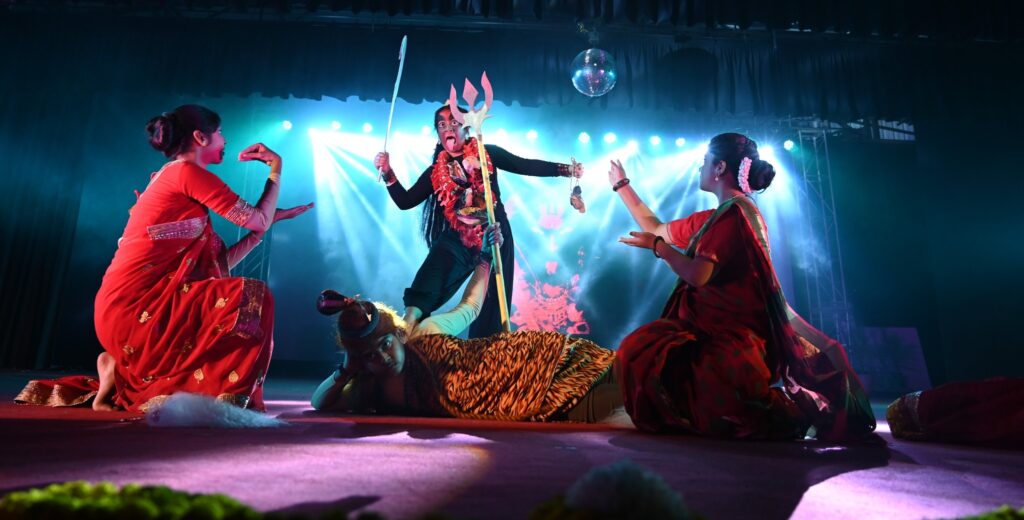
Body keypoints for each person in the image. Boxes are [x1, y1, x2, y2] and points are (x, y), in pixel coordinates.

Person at [15, 104, 313, 412]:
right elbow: (257, 218)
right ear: (200, 137)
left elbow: (222, 263)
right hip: (137, 306)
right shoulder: (186, 173)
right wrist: (276, 167)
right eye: (220, 133)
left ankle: (119, 371)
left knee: (228, 297)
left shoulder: (169, 177)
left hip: (140, 306)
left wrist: (264, 227)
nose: (225, 140)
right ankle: (224, 400)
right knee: (254, 296)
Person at [609, 132, 875, 440]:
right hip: (707, 333)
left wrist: (660, 249)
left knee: (687, 380)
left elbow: (698, 275)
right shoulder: (713, 219)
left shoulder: (735, 215)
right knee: (641, 354)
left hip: (736, 341)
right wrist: (621, 185)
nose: (700, 167)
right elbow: (656, 227)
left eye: (705, 161)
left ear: (720, 168)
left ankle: (785, 414)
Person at [311, 224, 620, 423]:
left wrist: (485, 258)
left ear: (396, 334)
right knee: (625, 399)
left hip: (527, 360)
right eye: (370, 356)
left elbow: (470, 307)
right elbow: (319, 402)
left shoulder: (423, 335)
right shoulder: (371, 389)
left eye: (385, 344)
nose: (382, 356)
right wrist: (348, 368)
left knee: (619, 370)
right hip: (519, 400)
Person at [373, 104, 583, 337]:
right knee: (428, 280)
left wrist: (567, 170)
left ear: (466, 128)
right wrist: (388, 172)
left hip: (494, 236)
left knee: (491, 304)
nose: (448, 128)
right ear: (438, 134)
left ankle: (485, 351)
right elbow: (405, 201)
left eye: (454, 122)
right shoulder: (436, 171)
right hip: (457, 238)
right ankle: (405, 332)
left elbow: (524, 165)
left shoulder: (486, 154)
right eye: (441, 125)